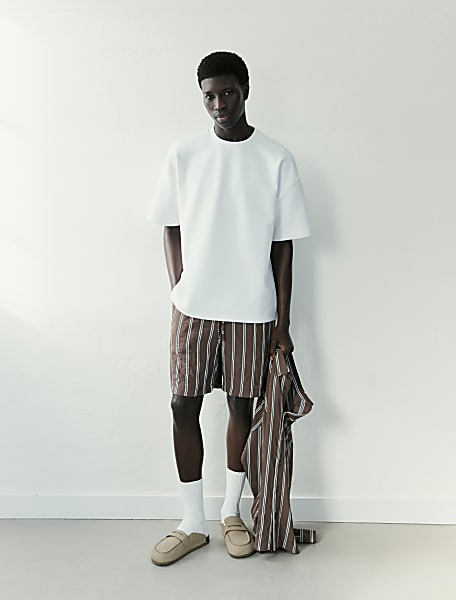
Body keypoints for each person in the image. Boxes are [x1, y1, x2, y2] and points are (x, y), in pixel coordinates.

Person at [147, 50, 311, 566]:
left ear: (246, 91)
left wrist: (282, 323)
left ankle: (231, 513)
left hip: (252, 309)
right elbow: (170, 224)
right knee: (183, 404)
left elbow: (284, 246)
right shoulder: (184, 153)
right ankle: (191, 522)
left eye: (228, 93)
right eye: (209, 96)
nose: (219, 104)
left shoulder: (275, 158)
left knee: (242, 407)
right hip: (193, 308)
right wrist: (179, 285)